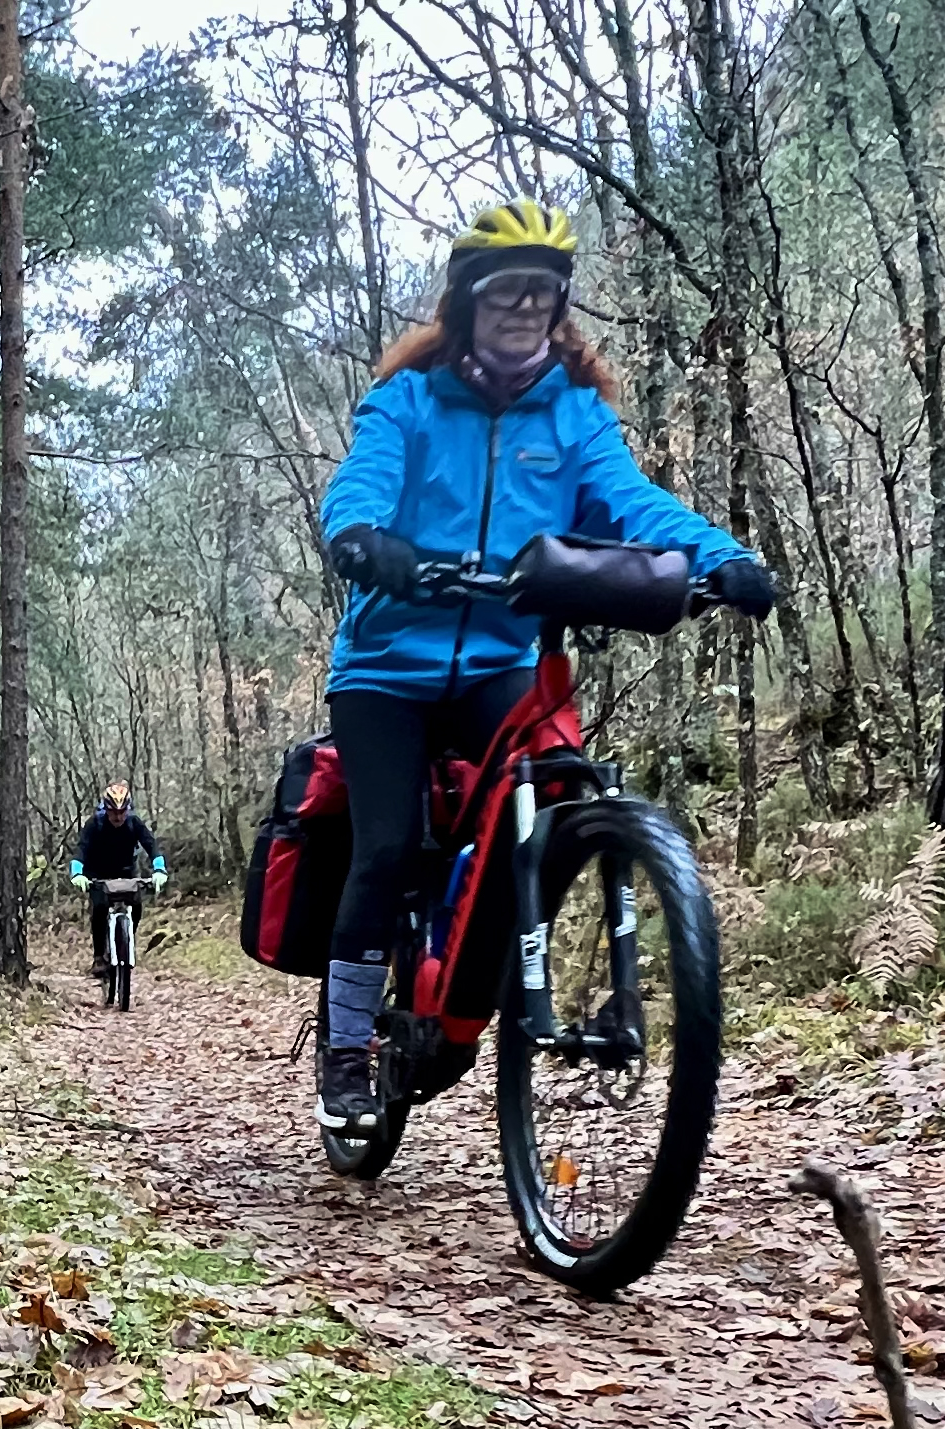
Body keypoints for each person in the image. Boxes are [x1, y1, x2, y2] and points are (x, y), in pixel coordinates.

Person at [310, 200, 779, 1131]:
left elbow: (630, 504)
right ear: (466, 305)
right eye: (503, 293)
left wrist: (722, 558)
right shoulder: (407, 400)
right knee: (388, 845)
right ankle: (347, 1050)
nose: (523, 308)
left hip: (499, 659)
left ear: (560, 305)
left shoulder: (572, 414)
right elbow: (357, 489)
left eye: (542, 293)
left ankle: (488, 994)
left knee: (556, 793)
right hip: (387, 668)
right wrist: (365, 541)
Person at [68, 782, 165, 960]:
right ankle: (98, 956)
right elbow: (81, 849)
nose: (118, 817)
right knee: (99, 908)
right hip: (97, 872)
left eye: (122, 812)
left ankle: (126, 941)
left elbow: (151, 846)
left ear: (128, 809)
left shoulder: (134, 823)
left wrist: (159, 869)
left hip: (126, 870)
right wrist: (77, 873)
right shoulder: (94, 824)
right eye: (113, 812)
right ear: (106, 809)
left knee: (136, 905)